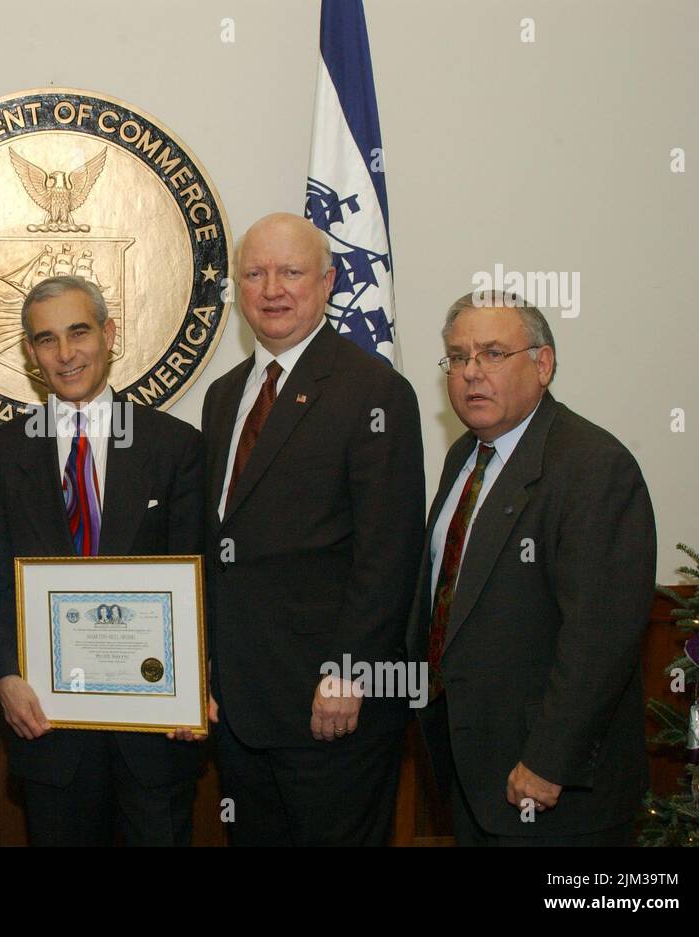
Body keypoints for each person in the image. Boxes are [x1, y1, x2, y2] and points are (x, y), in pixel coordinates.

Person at [200, 213, 425, 845]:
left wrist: (348, 675)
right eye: (255, 273)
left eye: (291, 272)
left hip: (330, 709)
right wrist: (206, 672)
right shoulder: (223, 398)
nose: (272, 288)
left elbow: (389, 554)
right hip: (242, 712)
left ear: (327, 282)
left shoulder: (375, 392)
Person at [409, 290, 656, 845]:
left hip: (552, 788)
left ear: (542, 364)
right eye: (458, 357)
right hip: (471, 772)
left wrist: (549, 760)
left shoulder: (594, 467)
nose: (472, 373)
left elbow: (601, 635)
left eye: (493, 354)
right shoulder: (464, 458)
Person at [0, 275, 205, 845]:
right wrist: (3, 676)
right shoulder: (1, 452)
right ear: (32, 354)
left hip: (156, 729)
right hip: (49, 733)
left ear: (109, 334)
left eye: (79, 332)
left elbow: (203, 578)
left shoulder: (175, 446)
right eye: (47, 340)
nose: (66, 353)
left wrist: (197, 680)